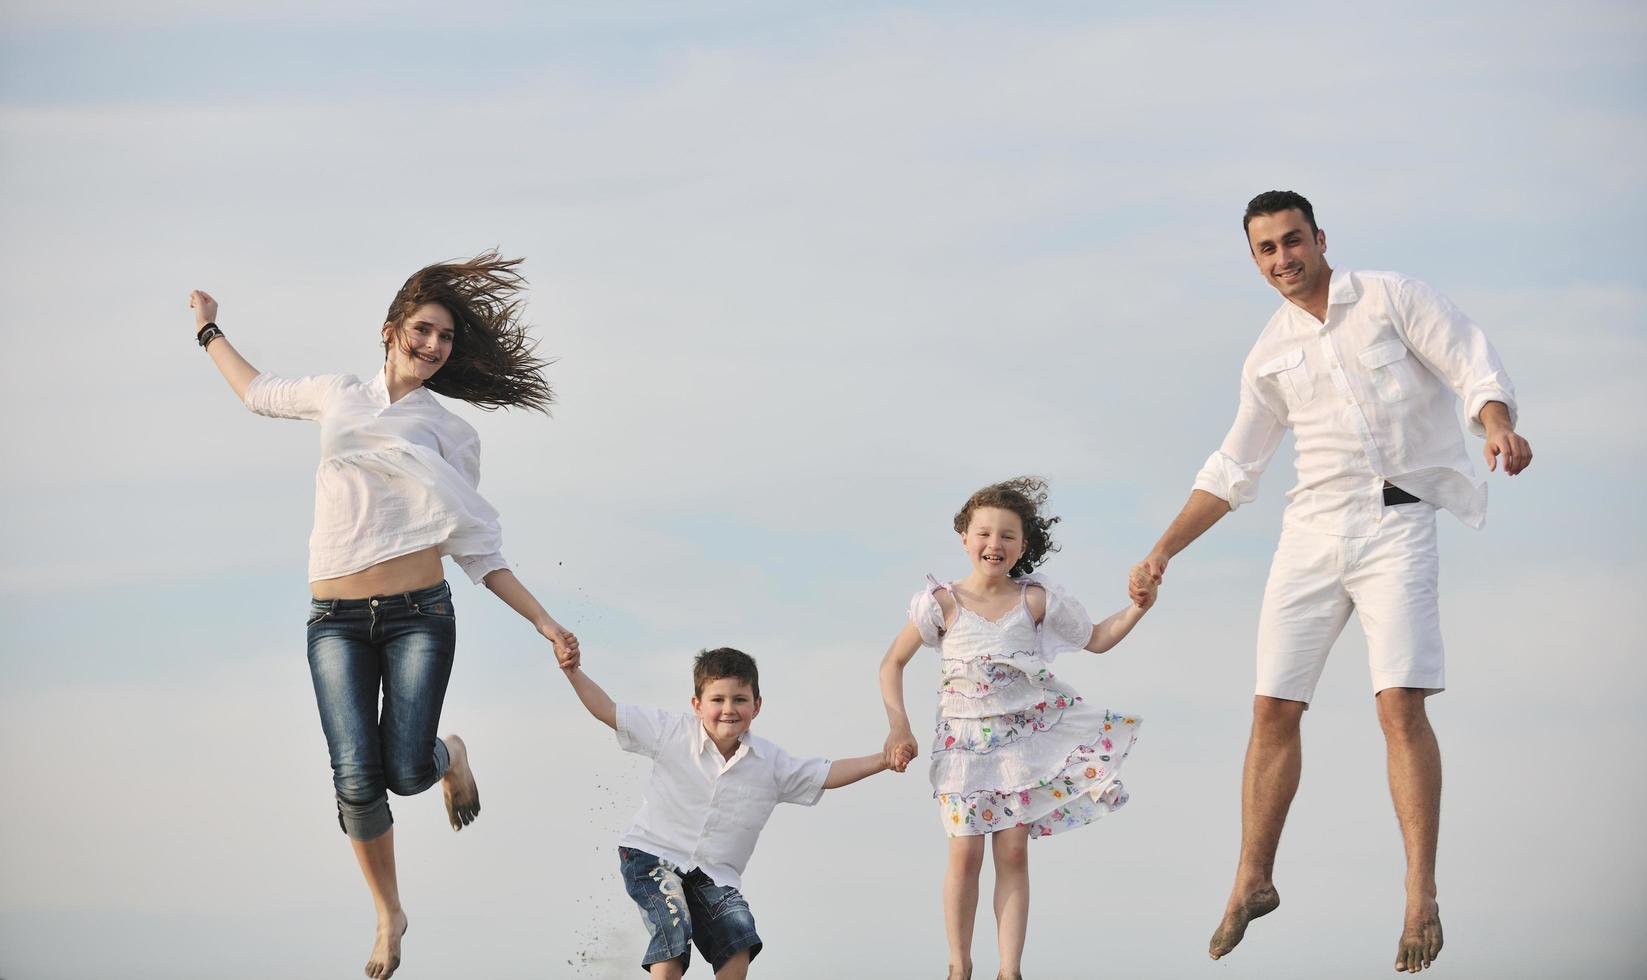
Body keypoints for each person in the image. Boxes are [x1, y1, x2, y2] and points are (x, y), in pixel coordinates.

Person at [1132, 191, 1533, 974]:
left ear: (1319, 239)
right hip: (1309, 531)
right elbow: (1234, 468)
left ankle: (1419, 892)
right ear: (1252, 259)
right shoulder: (1266, 355)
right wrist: (1162, 551)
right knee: (1271, 706)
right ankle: (1253, 876)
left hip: (1396, 525)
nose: (1282, 259)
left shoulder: (1390, 297)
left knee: (1398, 702)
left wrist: (1493, 425)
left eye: (1291, 241)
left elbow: (1469, 364)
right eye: (1264, 250)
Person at [187, 251, 579, 979]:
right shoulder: (338, 395)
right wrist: (210, 331)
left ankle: (445, 756)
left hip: (418, 616)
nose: (433, 347)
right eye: (423, 331)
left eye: (445, 339)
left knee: (403, 772)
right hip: (333, 619)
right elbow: (257, 392)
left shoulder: (451, 433)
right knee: (354, 778)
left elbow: (476, 546)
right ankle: (388, 915)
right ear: (391, 328)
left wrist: (544, 622)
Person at [880, 478, 1156, 980]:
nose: (995, 544)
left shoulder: (1035, 599)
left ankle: (1010, 971)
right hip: (962, 745)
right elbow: (891, 664)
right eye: (984, 533)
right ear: (965, 537)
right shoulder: (940, 602)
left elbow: (1096, 639)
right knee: (964, 853)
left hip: (1021, 745)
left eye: (1008, 536)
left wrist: (1139, 605)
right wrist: (899, 724)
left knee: (1012, 850)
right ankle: (958, 966)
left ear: (1023, 545)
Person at [561, 646, 889, 978]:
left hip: (713, 875)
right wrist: (573, 671)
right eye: (717, 700)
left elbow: (826, 773)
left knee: (739, 937)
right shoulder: (671, 732)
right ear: (697, 705)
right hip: (651, 856)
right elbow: (608, 711)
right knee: (674, 923)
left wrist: (883, 760)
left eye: (740, 699)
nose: (728, 709)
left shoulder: (771, 764)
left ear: (757, 706)